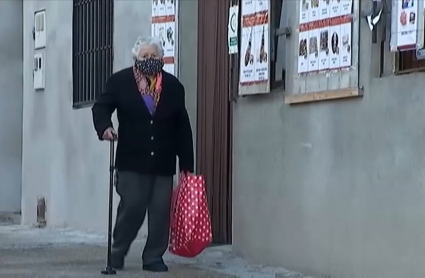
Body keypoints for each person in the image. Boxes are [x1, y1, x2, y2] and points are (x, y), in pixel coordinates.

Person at [91, 36, 194, 272]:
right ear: (136, 59)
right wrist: (105, 127)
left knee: (160, 213)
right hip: (131, 160)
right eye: (144, 57)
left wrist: (186, 163)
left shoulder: (173, 87)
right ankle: (117, 252)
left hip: (163, 161)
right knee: (132, 207)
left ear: (162, 59)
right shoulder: (120, 82)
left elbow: (182, 127)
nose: (149, 60)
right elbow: (102, 106)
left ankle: (153, 257)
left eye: (154, 56)